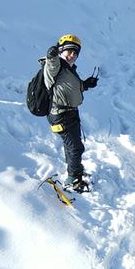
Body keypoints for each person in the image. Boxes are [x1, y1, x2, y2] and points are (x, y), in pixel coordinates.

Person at [43, 34, 98, 192]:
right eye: (68, 51)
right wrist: (51, 55)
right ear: (61, 51)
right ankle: (72, 179)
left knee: (71, 146)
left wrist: (85, 84)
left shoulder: (68, 69)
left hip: (70, 113)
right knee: (75, 147)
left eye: (75, 53)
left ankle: (75, 171)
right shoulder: (55, 66)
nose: (72, 55)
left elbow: (69, 88)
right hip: (60, 114)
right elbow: (51, 64)